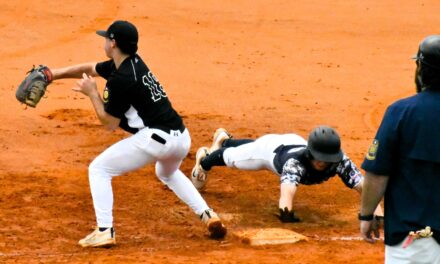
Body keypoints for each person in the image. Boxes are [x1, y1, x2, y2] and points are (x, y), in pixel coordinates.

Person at [47, 20, 226, 248]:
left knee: (99, 169)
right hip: (180, 137)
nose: (103, 42)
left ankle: (105, 230)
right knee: (167, 173)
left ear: (113, 43)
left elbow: (109, 123)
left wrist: (92, 93)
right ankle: (208, 215)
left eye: (105, 38)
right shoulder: (130, 63)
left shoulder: (121, 79)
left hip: (155, 139)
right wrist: (53, 74)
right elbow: (92, 68)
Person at [191, 125, 382, 222]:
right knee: (234, 159)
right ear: (311, 153)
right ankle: (205, 161)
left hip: (291, 141)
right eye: (319, 157)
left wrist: (378, 213)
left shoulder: (339, 161)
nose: (323, 162)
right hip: (268, 154)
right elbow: (287, 192)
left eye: (327, 158)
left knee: (256, 143)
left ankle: (224, 140)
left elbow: (362, 185)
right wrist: (287, 213)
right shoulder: (295, 164)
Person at [360, 35, 440, 263]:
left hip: (413, 238)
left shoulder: (401, 112)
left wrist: (367, 214)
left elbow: (377, 173)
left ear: (421, 69)